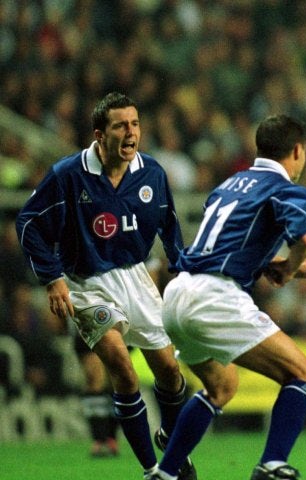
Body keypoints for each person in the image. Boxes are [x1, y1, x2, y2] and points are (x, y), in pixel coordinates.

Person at [15, 92, 196, 480]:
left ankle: (168, 433)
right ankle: (154, 469)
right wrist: (52, 279)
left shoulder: (151, 173)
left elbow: (170, 227)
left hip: (136, 277)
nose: (131, 133)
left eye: (135, 124)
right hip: (85, 283)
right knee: (120, 365)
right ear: (100, 134)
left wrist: (180, 270)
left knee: (168, 369)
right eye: (120, 126)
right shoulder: (68, 174)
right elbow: (28, 222)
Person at [149, 114, 306, 480]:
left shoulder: (231, 184)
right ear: (297, 151)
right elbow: (304, 238)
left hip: (178, 293)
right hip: (215, 297)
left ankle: (164, 473)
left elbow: (227, 246)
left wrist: (280, 265)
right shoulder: (288, 189)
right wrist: (292, 267)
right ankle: (272, 464)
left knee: (222, 385)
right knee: (304, 374)